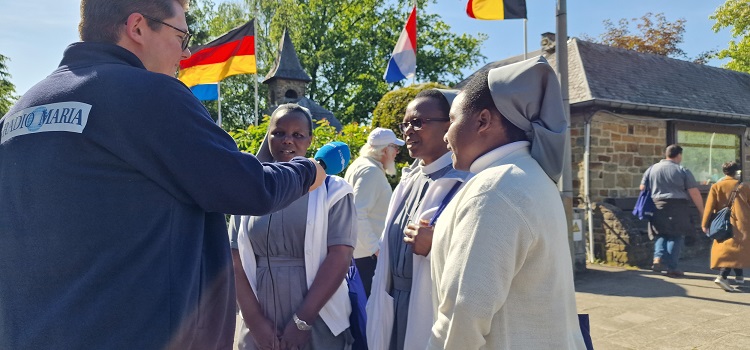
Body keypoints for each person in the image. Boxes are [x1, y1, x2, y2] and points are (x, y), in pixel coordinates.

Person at [0, 1, 326, 349]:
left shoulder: (19, 114)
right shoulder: (149, 94)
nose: (185, 54)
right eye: (181, 36)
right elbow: (249, 188)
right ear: (137, 27)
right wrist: (307, 171)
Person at [429, 57, 586, 349]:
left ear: (483, 120)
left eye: (452, 120)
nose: (446, 134)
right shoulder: (527, 176)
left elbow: (463, 316)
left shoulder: (494, 189)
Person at [230, 104, 356, 349]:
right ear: (268, 137)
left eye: (297, 135)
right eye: (278, 133)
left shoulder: (335, 191)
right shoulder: (249, 189)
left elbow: (340, 256)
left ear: (310, 140)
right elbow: (234, 259)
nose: (287, 140)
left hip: (319, 317)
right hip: (259, 318)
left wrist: (302, 322)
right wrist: (255, 322)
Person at [366, 89, 470, 350]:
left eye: (419, 122)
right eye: (406, 124)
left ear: (450, 124)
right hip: (394, 302)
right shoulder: (409, 179)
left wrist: (438, 243)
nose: (408, 131)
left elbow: (481, 251)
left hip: (430, 305)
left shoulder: (466, 180)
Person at [344, 127, 403, 297]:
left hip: (361, 255)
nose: (397, 153)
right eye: (395, 148)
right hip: (367, 258)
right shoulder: (371, 171)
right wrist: (376, 250)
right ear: (385, 150)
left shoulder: (361, 165)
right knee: (370, 314)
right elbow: (358, 213)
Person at [642, 144, 704, 278]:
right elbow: (694, 193)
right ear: (679, 155)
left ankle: (657, 259)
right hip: (678, 206)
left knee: (660, 233)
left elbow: (643, 187)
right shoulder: (682, 170)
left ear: (666, 154)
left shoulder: (652, 169)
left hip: (657, 205)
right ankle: (673, 267)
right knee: (676, 235)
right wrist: (701, 210)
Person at [702, 161, 750, 291]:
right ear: (737, 172)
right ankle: (722, 276)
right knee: (736, 248)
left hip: (722, 224)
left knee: (729, 248)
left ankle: (739, 276)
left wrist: (704, 224)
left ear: (724, 172)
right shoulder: (744, 187)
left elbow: (709, 207)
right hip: (741, 223)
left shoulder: (716, 186)